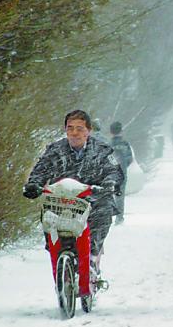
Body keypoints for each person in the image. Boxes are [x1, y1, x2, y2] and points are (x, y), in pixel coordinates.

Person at [23, 110, 124, 276]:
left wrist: (110, 183)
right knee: (50, 221)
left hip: (94, 201)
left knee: (101, 215)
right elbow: (40, 170)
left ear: (88, 131)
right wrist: (34, 184)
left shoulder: (102, 151)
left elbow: (114, 171)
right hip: (61, 202)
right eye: (70, 128)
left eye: (80, 128)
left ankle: (92, 257)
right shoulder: (55, 150)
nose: (75, 133)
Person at [109, 121, 133, 225]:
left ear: (111, 131)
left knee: (108, 195)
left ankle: (108, 217)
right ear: (121, 131)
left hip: (110, 173)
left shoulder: (108, 144)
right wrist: (123, 166)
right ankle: (119, 218)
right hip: (122, 173)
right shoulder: (125, 144)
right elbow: (129, 158)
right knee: (120, 196)